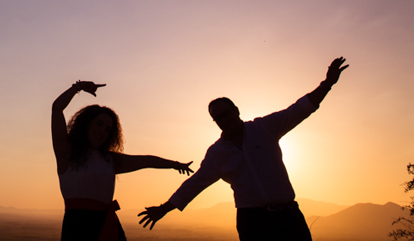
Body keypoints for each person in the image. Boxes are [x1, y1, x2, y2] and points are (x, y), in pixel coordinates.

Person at [138, 57, 349, 241]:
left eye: (226, 114)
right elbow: (195, 184)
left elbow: (298, 110)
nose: (224, 120)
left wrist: (328, 83)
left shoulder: (264, 128)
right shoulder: (218, 153)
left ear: (236, 111)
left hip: (288, 217)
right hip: (253, 223)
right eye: (218, 118)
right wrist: (164, 209)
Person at [53, 80, 193, 241]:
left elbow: (146, 161)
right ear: (86, 124)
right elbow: (57, 109)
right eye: (99, 124)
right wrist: (78, 87)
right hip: (78, 228)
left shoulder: (109, 159)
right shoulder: (66, 153)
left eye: (108, 129)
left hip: (108, 226)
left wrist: (175, 165)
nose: (102, 131)